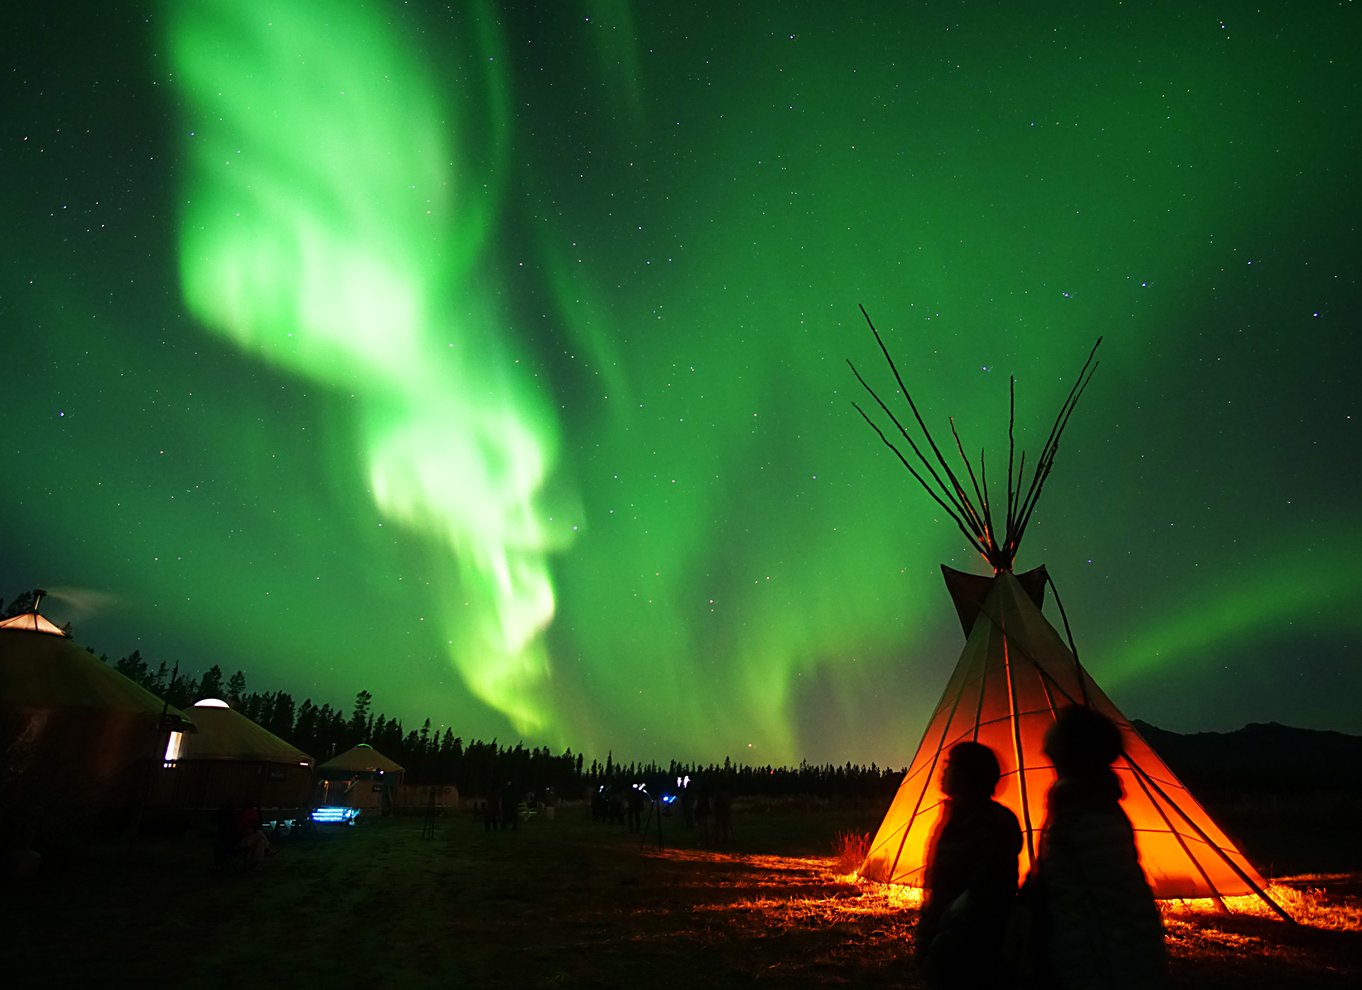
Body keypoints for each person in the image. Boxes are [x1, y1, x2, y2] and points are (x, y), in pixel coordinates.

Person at [1031, 705, 1166, 990]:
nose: (1044, 748)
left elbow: (1122, 906)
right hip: (1071, 952)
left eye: (1053, 741)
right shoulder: (1071, 805)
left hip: (1088, 961)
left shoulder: (1092, 816)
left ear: (1072, 750)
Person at [917, 741, 1022, 990]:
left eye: (950, 766)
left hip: (970, 946)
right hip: (950, 939)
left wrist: (944, 936)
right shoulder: (955, 817)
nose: (943, 772)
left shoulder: (989, 823)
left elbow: (986, 892)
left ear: (967, 775)